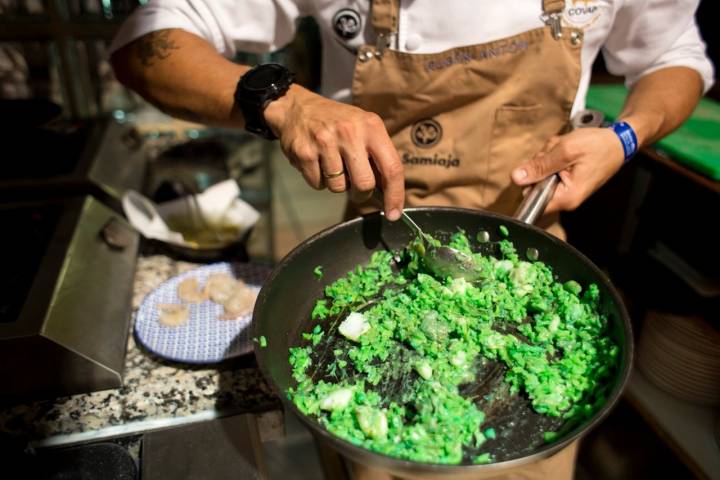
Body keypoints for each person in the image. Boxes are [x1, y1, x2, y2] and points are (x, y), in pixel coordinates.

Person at [110, 1, 713, 478]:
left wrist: (624, 138)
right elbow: (145, 40)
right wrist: (283, 102)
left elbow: (675, 56)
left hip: (536, 227)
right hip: (380, 239)